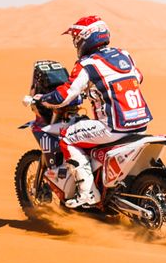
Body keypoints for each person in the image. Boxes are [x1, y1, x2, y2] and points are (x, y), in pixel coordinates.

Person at [25, 15, 154, 208]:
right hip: (140, 124)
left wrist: (41, 98)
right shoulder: (123, 54)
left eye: (75, 38)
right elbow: (138, 77)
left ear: (84, 38)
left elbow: (65, 95)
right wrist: (97, 89)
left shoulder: (87, 64)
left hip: (112, 128)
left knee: (66, 137)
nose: (75, 43)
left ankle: (87, 193)